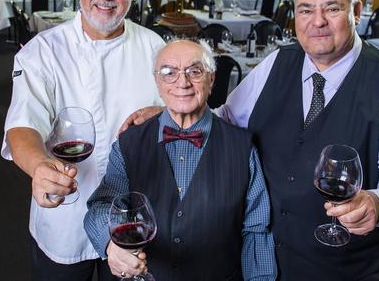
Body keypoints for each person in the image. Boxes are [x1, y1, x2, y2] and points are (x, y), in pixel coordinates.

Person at [215, 0, 379, 280]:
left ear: (357, 11)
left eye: (332, 8)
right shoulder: (277, 62)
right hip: (264, 262)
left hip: (348, 269)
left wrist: (377, 204)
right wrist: (173, 116)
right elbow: (225, 120)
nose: (317, 21)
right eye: (306, 9)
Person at [1, 0, 165, 281]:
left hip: (130, 217)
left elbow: (187, 117)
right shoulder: (42, 51)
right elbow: (21, 127)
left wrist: (165, 116)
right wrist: (40, 167)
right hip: (64, 212)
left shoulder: (154, 46)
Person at [84, 40, 276, 281]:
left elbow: (257, 231)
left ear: (212, 79)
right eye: (169, 72)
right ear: (157, 81)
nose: (182, 82)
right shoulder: (129, 143)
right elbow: (102, 205)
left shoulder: (242, 147)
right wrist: (111, 245)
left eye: (195, 71)